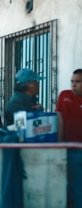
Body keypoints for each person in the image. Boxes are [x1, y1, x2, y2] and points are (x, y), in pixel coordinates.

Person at [2, 68, 44, 208]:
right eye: (35, 82)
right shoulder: (16, 102)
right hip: (18, 150)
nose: (38, 85)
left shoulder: (29, 100)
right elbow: (21, 125)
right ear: (28, 84)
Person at [55, 69, 82, 208]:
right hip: (69, 149)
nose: (73, 85)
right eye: (72, 81)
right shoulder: (64, 95)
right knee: (71, 186)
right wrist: (59, 145)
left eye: (78, 82)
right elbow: (59, 120)